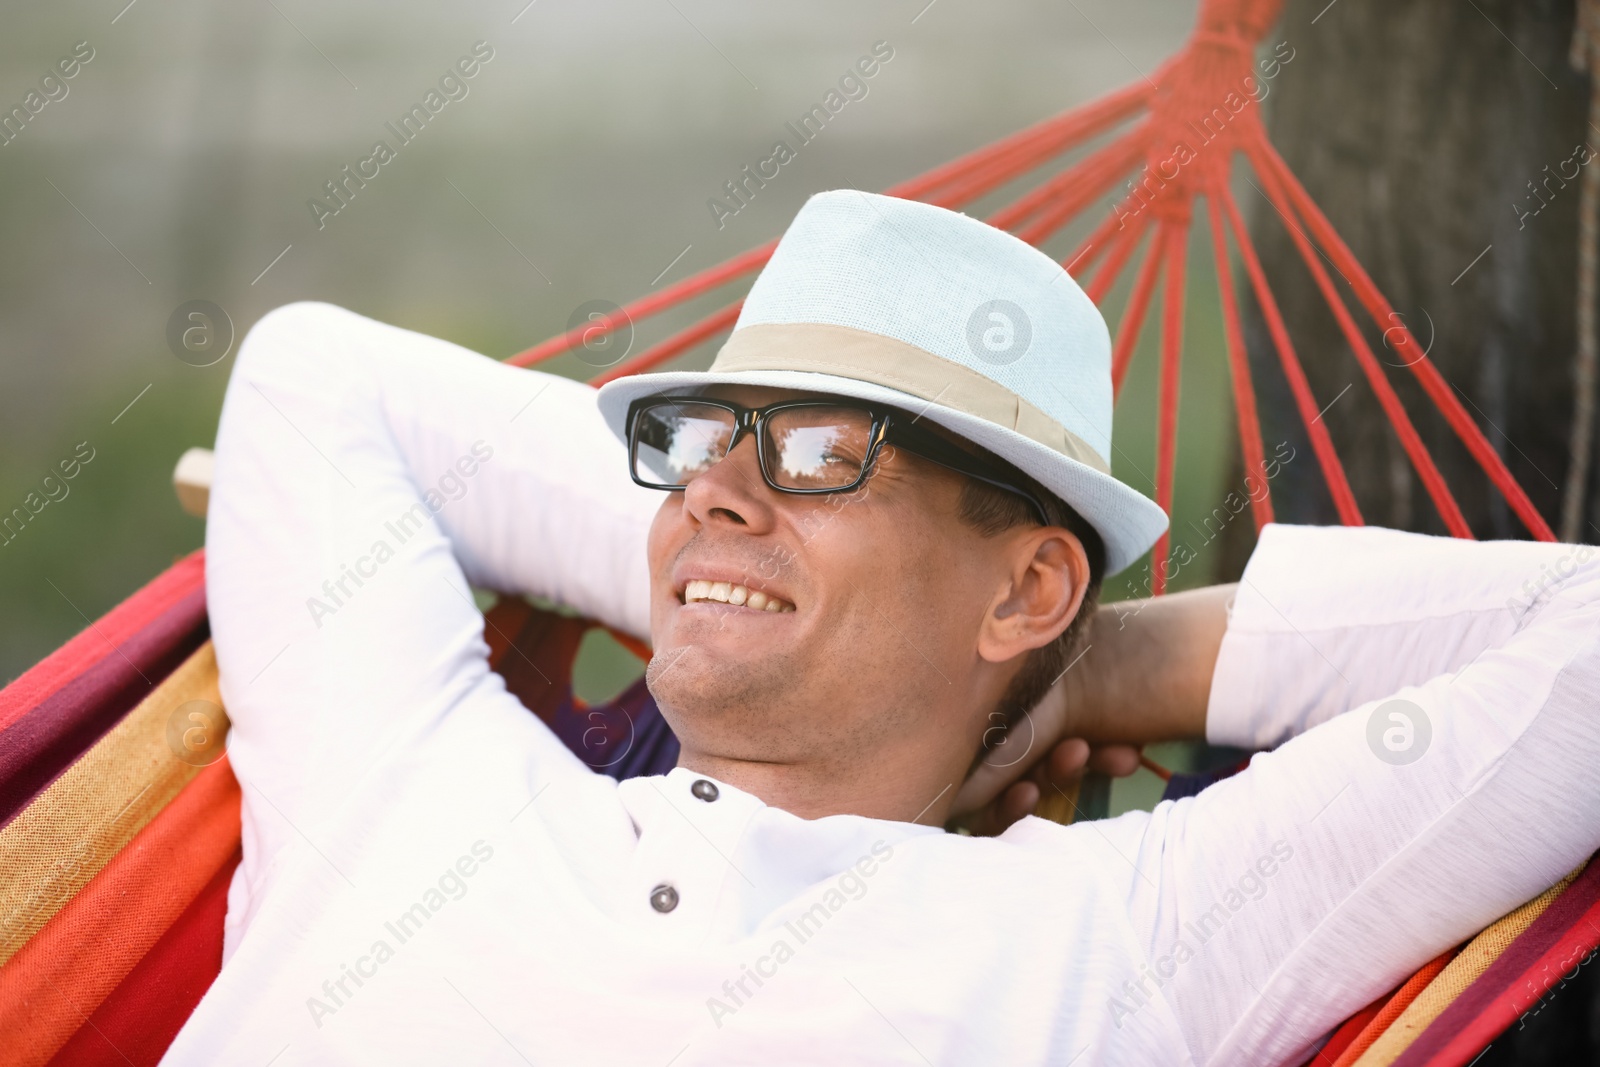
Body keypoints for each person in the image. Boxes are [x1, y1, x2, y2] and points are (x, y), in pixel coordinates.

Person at [170, 190, 1600, 1066]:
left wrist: (1102, 662)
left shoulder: (1115, 947)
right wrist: (731, 566)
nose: (715, 486)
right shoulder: (405, 774)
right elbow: (315, 378)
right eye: (698, 442)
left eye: (811, 452)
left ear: (1030, 587)